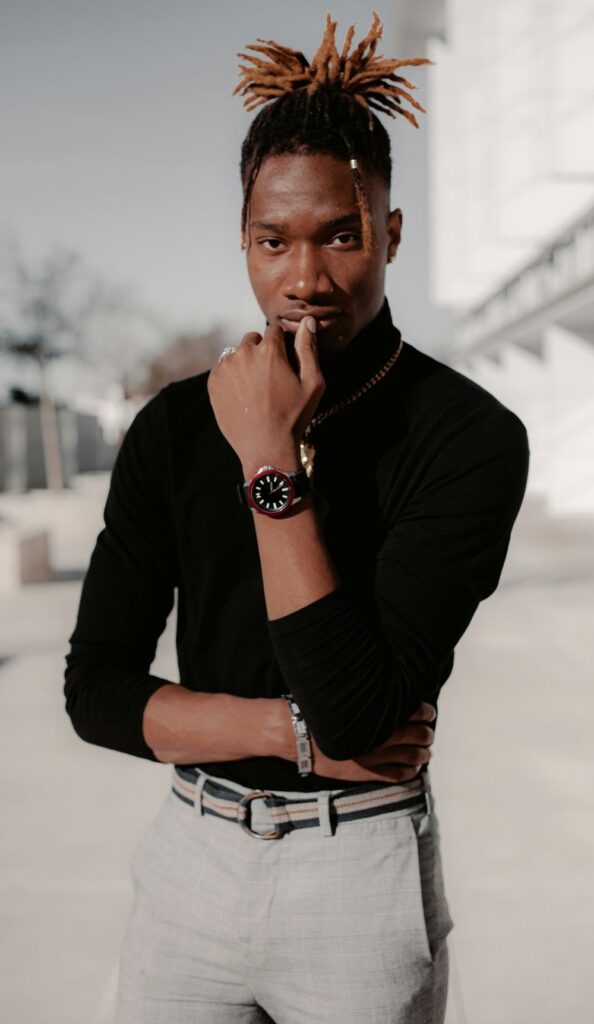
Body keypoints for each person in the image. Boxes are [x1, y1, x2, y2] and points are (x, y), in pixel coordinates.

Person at [64, 12, 530, 1024]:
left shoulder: (469, 436)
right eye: (273, 241)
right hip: (191, 858)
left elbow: (362, 714)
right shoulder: (174, 427)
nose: (305, 278)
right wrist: (288, 733)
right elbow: (94, 690)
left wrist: (271, 460)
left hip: (356, 871)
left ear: (390, 233)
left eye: (340, 236)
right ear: (243, 239)